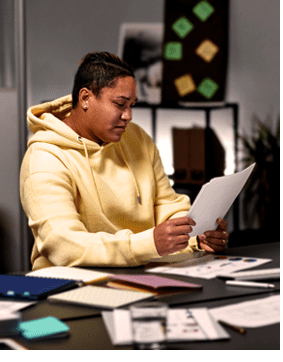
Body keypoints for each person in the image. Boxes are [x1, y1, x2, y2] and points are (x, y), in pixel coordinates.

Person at [20, 52, 229, 269]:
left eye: (132, 105)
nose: (128, 115)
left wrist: (196, 238)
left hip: (141, 271)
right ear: (85, 99)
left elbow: (166, 205)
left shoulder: (136, 138)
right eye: (120, 104)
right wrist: (148, 244)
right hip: (71, 283)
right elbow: (64, 245)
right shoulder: (44, 159)